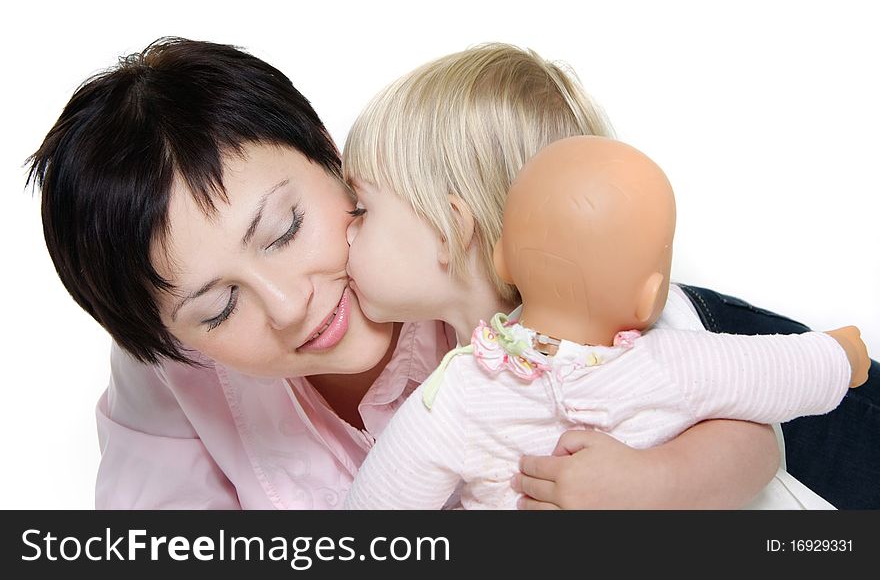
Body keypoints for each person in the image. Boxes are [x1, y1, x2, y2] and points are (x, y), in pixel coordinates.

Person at [25, 38, 878, 509]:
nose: (290, 306)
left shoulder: (499, 267)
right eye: (217, 308)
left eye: (286, 228)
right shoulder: (166, 376)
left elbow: (747, 427)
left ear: (331, 158)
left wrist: (649, 481)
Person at [342, 42, 880, 509]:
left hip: (826, 443)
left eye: (361, 207)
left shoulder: (649, 332)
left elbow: (758, 440)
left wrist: (651, 483)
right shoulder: (455, 378)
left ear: (452, 230)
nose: (343, 230)